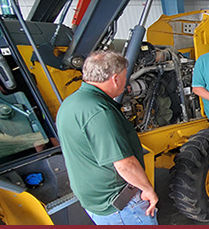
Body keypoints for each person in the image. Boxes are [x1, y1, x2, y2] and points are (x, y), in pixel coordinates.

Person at [57, 51, 158, 225]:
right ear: (115, 79)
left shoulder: (70, 103)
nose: (126, 81)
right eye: (125, 76)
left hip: (95, 200)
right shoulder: (99, 112)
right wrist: (147, 189)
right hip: (119, 202)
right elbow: (125, 164)